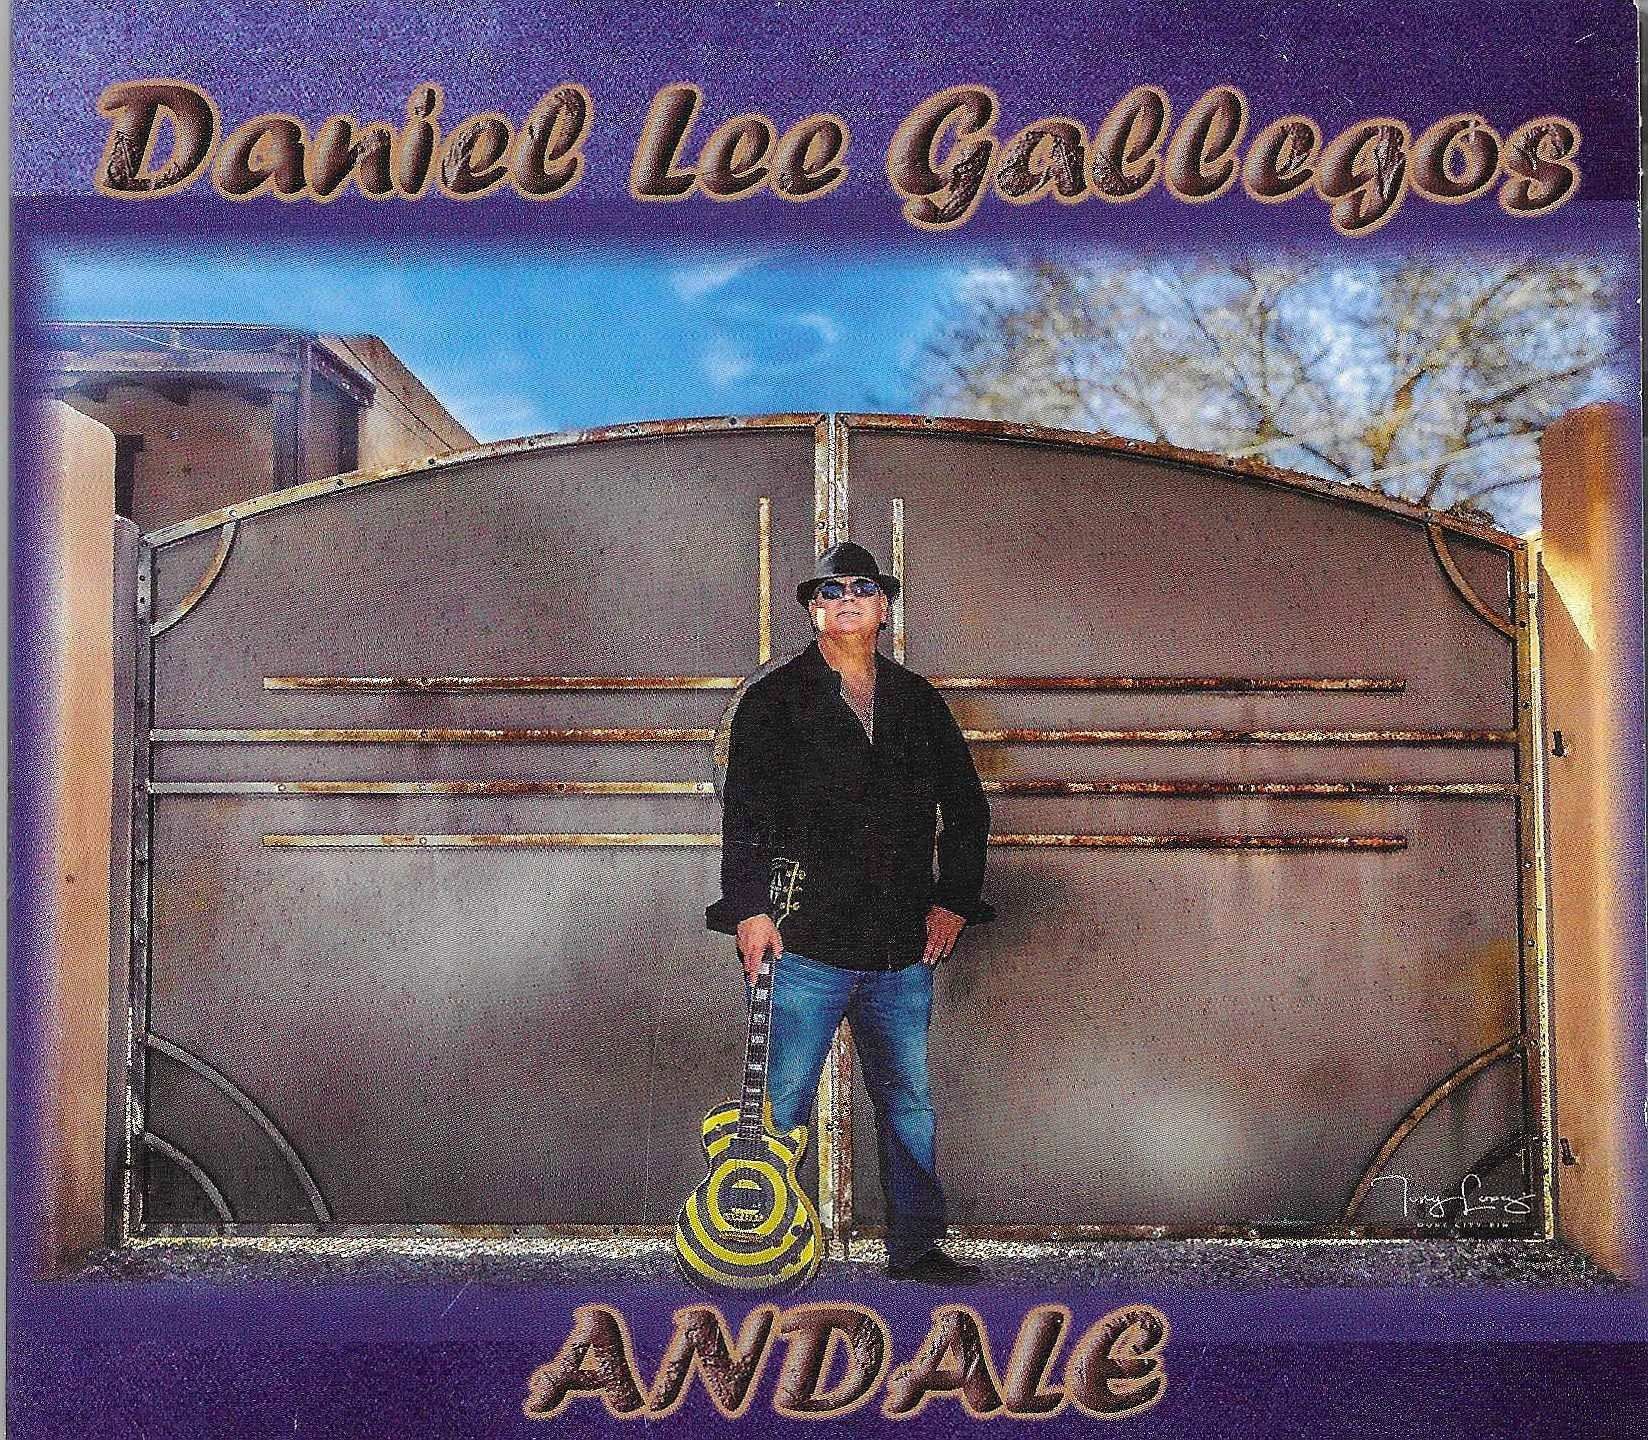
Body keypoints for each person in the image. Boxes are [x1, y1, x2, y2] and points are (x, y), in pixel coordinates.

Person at [706, 541, 993, 1284]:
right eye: (830, 591)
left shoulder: (918, 701)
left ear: (883, 607)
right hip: (801, 938)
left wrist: (954, 901)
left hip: (901, 945)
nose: (846, 601)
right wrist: (749, 910)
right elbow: (745, 815)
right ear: (812, 610)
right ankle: (757, 1247)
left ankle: (918, 1248)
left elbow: (965, 807)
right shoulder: (775, 702)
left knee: (908, 1103)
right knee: (780, 1106)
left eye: (861, 589)